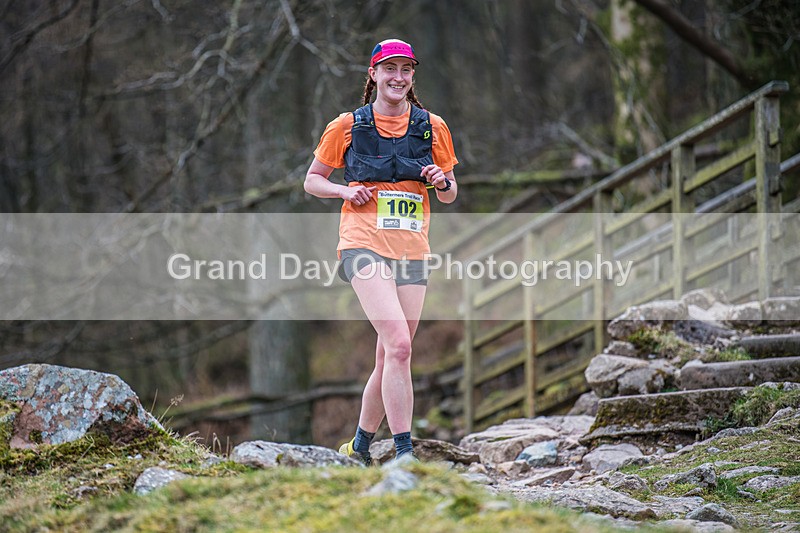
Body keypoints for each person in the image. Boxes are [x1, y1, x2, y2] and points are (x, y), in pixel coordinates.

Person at [303, 38, 458, 465]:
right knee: (400, 345)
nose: (398, 77)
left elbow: (448, 193)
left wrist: (440, 182)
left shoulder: (432, 127)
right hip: (362, 243)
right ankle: (405, 452)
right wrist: (343, 189)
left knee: (391, 353)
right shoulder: (348, 125)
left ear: (413, 77)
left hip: (412, 249)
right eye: (389, 69)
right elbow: (312, 180)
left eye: (406, 70)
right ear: (373, 75)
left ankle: (359, 447)